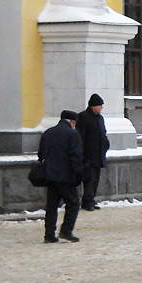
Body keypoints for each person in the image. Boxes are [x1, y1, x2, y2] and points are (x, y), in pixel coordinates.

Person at [37, 110, 84, 243]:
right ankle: (66, 231)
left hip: (50, 175)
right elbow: (75, 157)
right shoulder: (72, 134)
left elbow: (41, 154)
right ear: (72, 122)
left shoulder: (48, 132)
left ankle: (49, 234)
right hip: (66, 176)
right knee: (73, 203)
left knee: (51, 206)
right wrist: (79, 174)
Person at [76, 93, 109, 211]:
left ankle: (91, 199)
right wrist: (82, 153)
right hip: (89, 155)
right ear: (93, 106)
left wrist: (106, 144)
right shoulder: (84, 117)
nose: (101, 107)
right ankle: (87, 201)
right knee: (89, 179)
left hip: (99, 154)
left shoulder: (100, 118)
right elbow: (80, 136)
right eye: (100, 105)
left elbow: (103, 133)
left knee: (95, 180)